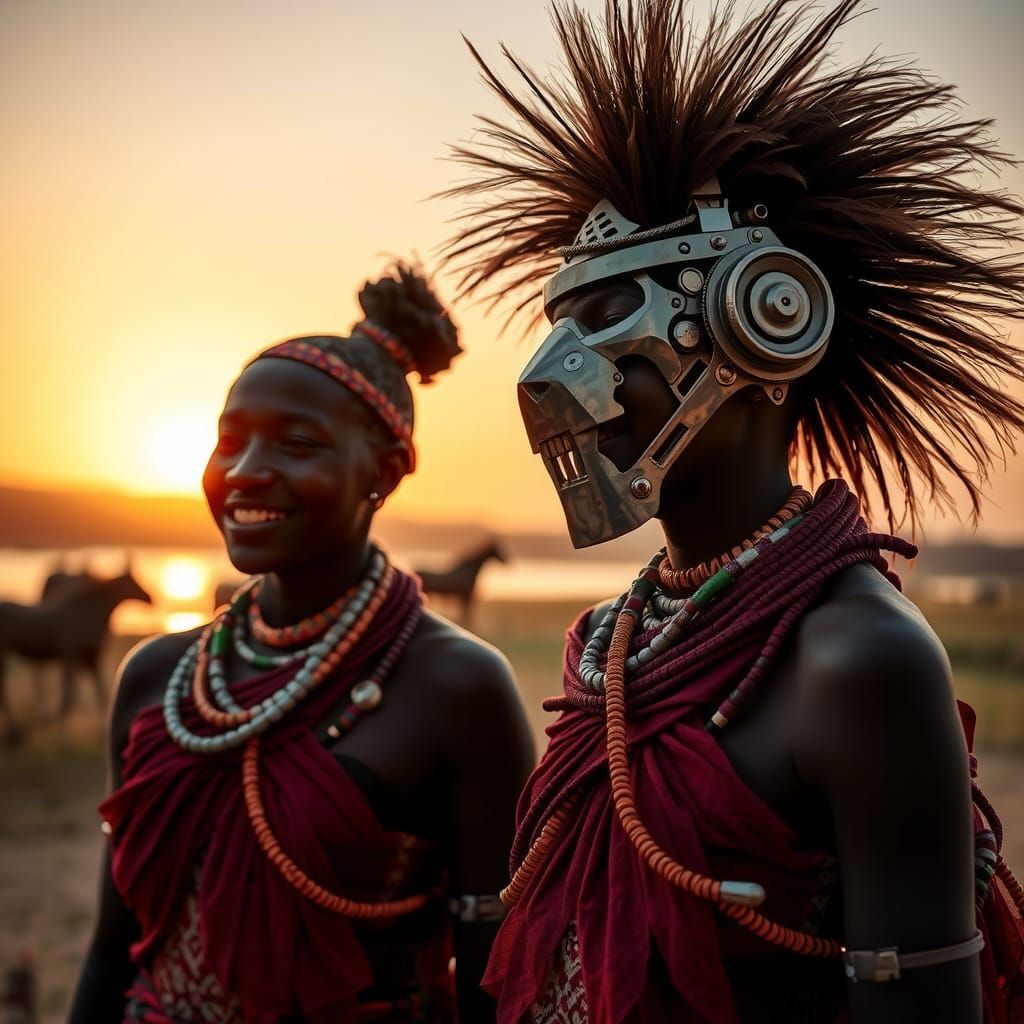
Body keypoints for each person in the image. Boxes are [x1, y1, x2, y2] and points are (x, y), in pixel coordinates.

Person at [442, 1, 1024, 1021]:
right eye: (557, 329)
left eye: (608, 324)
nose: (556, 380)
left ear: (764, 318)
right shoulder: (607, 643)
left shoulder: (860, 660)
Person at [68, 262, 536, 1023]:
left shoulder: (457, 688)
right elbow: (111, 947)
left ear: (381, 474)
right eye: (229, 443)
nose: (247, 475)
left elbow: (497, 976)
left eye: (296, 445)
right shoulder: (157, 676)